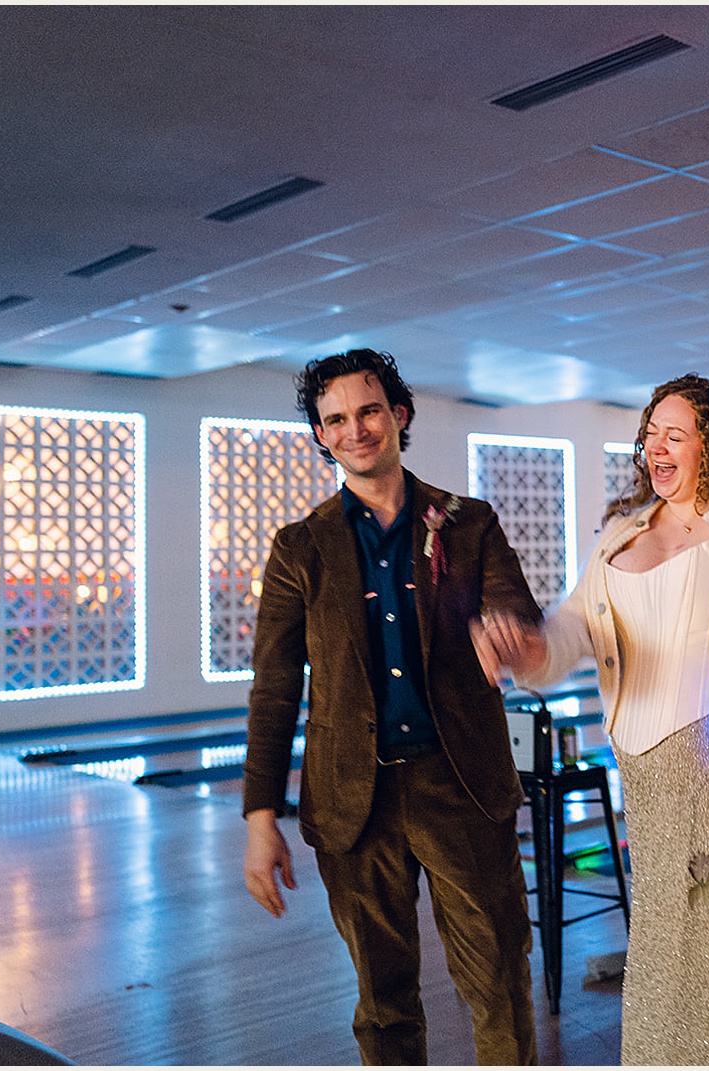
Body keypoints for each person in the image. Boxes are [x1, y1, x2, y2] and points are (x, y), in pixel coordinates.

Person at [473, 206, 709, 1065]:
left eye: (673, 432)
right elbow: (574, 626)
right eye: (649, 432)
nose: (655, 445)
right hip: (646, 777)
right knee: (664, 970)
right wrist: (532, 648)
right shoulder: (618, 534)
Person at [241, 348, 540, 1065]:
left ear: (398, 415)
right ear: (319, 434)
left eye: (369, 410)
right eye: (335, 418)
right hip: (354, 800)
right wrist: (261, 818)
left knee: (498, 981)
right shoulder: (298, 548)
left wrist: (512, 639)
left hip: (459, 783)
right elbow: (275, 687)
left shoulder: (469, 523)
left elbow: (518, 616)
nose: (355, 428)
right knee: (383, 1006)